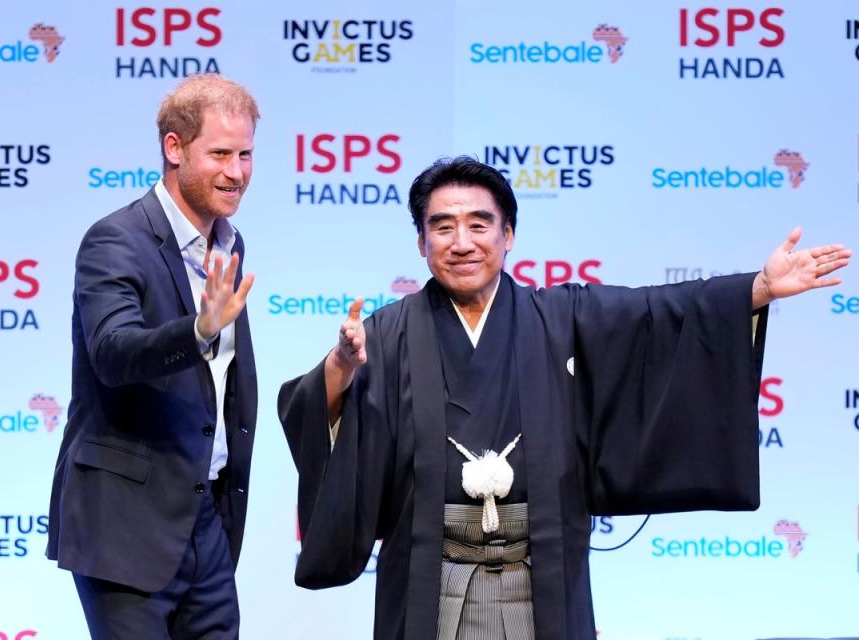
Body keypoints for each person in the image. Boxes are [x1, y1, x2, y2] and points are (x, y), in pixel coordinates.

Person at [278, 156, 851, 640]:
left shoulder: (562, 317)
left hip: (542, 570)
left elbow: (658, 313)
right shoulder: (386, 332)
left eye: (480, 225)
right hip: (431, 576)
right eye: (443, 226)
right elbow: (307, 407)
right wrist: (341, 367)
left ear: (508, 236)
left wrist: (759, 288)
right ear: (421, 241)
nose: (462, 243)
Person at [47, 74, 259, 639]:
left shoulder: (230, 243)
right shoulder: (114, 239)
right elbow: (113, 354)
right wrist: (198, 329)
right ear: (174, 148)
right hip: (124, 526)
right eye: (219, 154)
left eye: (245, 155)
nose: (236, 173)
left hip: (207, 520)